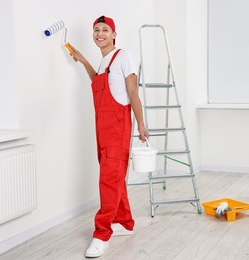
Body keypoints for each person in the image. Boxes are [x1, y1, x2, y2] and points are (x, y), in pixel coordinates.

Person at [66, 15, 149, 258]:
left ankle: (102, 235)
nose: (99, 33)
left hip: (117, 125)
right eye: (95, 30)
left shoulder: (123, 55)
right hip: (102, 126)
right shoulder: (103, 62)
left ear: (114, 34)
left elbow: (132, 91)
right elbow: (98, 82)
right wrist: (82, 60)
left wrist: (141, 124)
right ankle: (124, 222)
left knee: (109, 179)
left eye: (104, 29)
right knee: (114, 176)